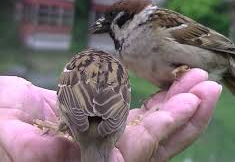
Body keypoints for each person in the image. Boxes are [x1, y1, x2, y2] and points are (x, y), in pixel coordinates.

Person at [0, 68, 221, 162]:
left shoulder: (72, 71)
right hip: (108, 128)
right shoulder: (119, 77)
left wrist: (63, 125)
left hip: (78, 123)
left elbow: (69, 99)